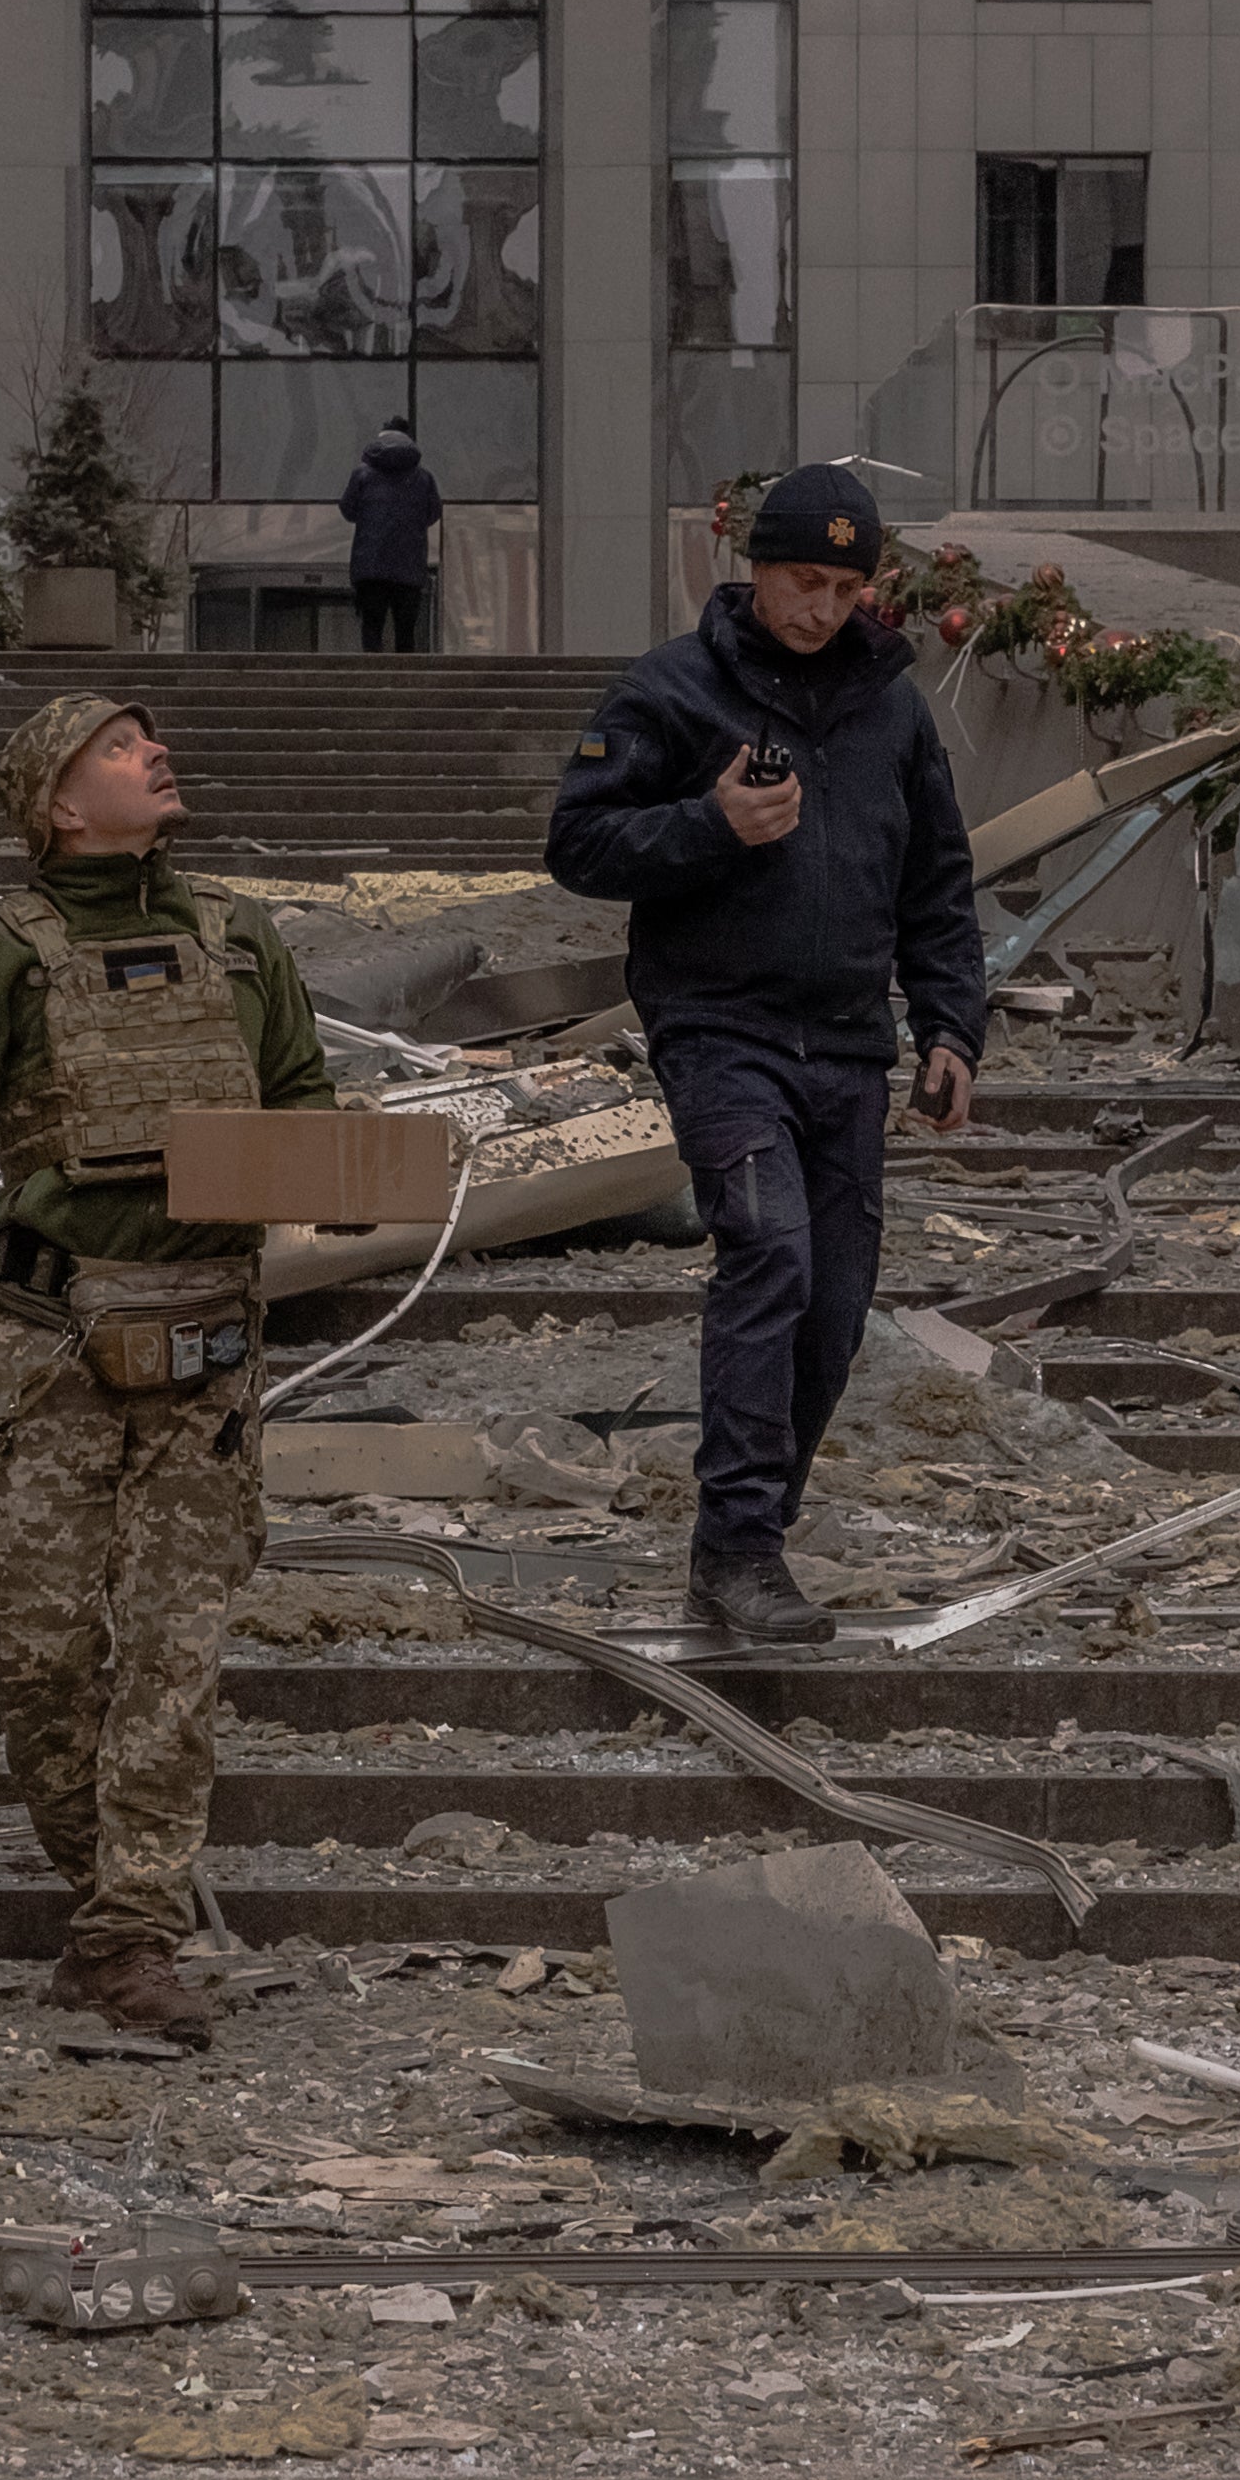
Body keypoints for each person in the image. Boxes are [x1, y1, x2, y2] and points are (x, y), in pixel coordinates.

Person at [0, 693, 337, 2029]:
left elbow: (302, 1098)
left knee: (174, 1654)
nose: (156, 752)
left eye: (150, 739)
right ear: (59, 803)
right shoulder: (5, 951)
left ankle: (132, 1930)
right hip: (56, 1346)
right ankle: (107, 1897)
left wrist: (326, 1171)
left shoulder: (239, 942)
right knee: (43, 1655)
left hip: (207, 1354)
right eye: (119, 748)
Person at [538, 462, 988, 1642]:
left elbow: (936, 879)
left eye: (844, 585)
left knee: (834, 1308)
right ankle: (735, 1547)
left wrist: (950, 1026)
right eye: (801, 579)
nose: (820, 607)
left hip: (847, 1042)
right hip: (718, 1027)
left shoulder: (891, 707)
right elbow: (575, 842)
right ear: (753, 569)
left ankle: (751, 1546)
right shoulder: (673, 691)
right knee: (769, 1253)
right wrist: (711, 824)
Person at [338, 417, 441, 652]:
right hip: (409, 565)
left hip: (370, 564)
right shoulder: (423, 478)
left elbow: (347, 509)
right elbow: (434, 513)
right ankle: (405, 684)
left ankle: (372, 683)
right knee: (405, 631)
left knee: (372, 626)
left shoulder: (362, 474)